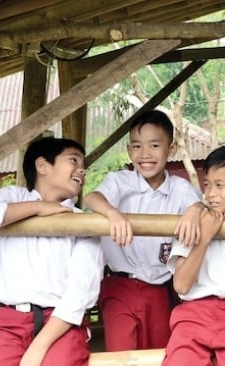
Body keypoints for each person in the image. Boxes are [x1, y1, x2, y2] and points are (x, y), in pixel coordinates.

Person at [0, 137, 103, 366]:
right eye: (73, 160)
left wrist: (38, 348)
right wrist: (40, 207)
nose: (81, 169)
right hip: (7, 322)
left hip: (60, 325)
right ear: (43, 166)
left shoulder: (84, 221)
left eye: (83, 164)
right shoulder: (14, 198)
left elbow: (82, 291)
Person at [83, 110, 203, 351]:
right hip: (119, 286)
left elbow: (197, 205)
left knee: (157, 351)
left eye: (154, 145)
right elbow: (92, 197)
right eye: (137, 146)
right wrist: (112, 213)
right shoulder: (119, 182)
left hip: (160, 288)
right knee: (121, 352)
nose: (145, 154)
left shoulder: (180, 188)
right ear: (129, 151)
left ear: (171, 149)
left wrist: (194, 211)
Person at [162, 145, 225, 366]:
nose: (211, 194)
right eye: (207, 185)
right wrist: (204, 238)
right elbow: (181, 285)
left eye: (220, 185)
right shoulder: (193, 224)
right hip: (192, 316)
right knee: (180, 361)